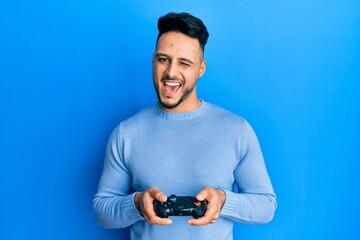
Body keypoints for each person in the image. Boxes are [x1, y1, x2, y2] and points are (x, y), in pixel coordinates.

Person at [93, 12, 276, 240]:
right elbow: (102, 210)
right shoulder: (126, 133)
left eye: (184, 63)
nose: (171, 72)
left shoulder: (236, 130)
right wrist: (137, 204)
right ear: (153, 61)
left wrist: (223, 200)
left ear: (201, 68)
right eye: (163, 59)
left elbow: (266, 205)